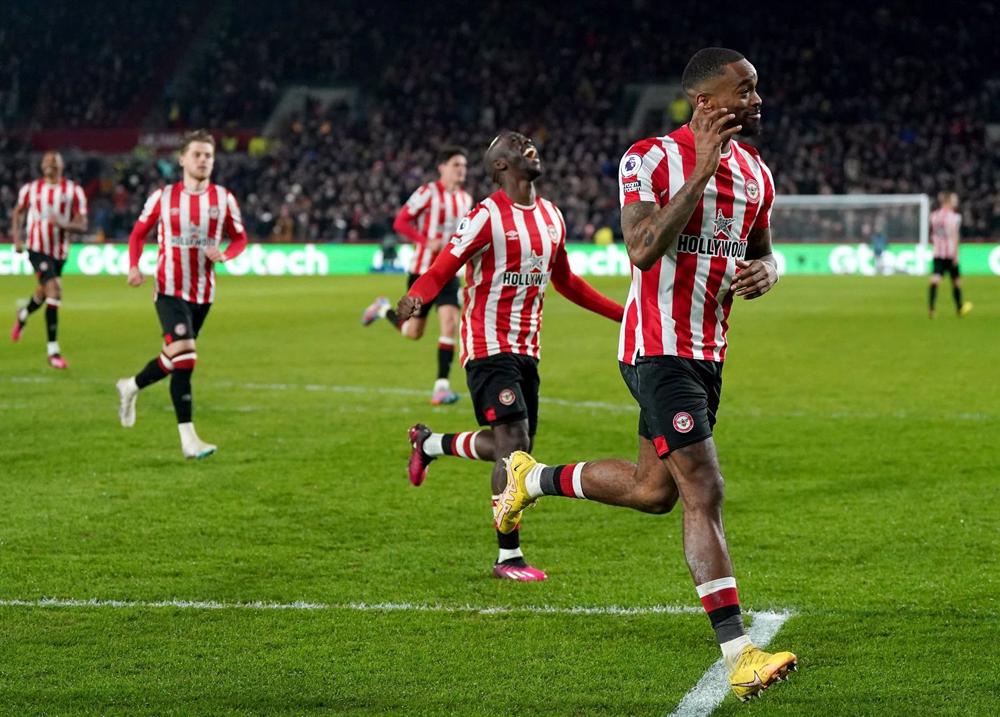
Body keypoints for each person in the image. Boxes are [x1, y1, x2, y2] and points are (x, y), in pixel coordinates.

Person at [493, 49, 797, 700]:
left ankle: (530, 476)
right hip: (655, 348)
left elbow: (767, 255)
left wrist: (769, 273)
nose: (757, 98)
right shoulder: (649, 158)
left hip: (707, 352)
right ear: (706, 101)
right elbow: (640, 246)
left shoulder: (757, 176)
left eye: (757, 88)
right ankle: (740, 653)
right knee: (703, 487)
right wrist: (703, 170)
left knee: (653, 489)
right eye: (744, 89)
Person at [395, 131, 624, 581]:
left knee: (514, 447)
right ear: (500, 166)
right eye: (517, 145)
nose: (529, 145)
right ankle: (508, 557)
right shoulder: (485, 216)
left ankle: (429, 443)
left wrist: (623, 314)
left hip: (527, 348)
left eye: (529, 141)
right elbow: (443, 266)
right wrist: (417, 298)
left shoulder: (552, 216)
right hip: (486, 346)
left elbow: (568, 283)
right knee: (513, 446)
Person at [115, 130, 248, 459]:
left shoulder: (223, 199)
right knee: (186, 358)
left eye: (209, 156)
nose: (204, 160)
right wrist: (134, 266)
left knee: (172, 357)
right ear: (183, 160)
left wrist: (226, 255)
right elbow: (137, 234)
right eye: (198, 155)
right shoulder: (163, 197)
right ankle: (189, 441)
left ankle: (130, 386)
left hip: (203, 294)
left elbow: (240, 238)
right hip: (168, 289)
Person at [361, 147, 473, 405]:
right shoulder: (427, 193)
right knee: (413, 332)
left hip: (447, 273)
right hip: (422, 272)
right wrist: (424, 241)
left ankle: (441, 387)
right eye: (456, 164)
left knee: (450, 323)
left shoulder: (466, 200)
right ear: (441, 167)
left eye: (464, 166)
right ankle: (381, 309)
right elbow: (400, 222)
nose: (461, 170)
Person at [9, 151, 88, 368]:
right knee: (54, 290)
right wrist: (17, 239)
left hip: (60, 252)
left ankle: (23, 314)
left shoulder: (73, 191)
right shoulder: (31, 189)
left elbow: (82, 225)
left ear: (62, 165)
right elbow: (18, 213)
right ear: (42, 166)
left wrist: (63, 225)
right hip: (36, 248)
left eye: (54, 161)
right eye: (46, 161)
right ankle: (53, 352)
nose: (50, 164)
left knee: (44, 293)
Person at [928, 192, 972, 317]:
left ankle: (931, 309)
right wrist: (956, 255)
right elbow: (954, 236)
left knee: (935, 280)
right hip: (950, 254)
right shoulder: (955, 217)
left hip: (938, 253)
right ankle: (959, 308)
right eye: (954, 200)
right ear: (947, 202)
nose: (955, 202)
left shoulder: (934, 216)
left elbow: (934, 234)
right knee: (956, 281)